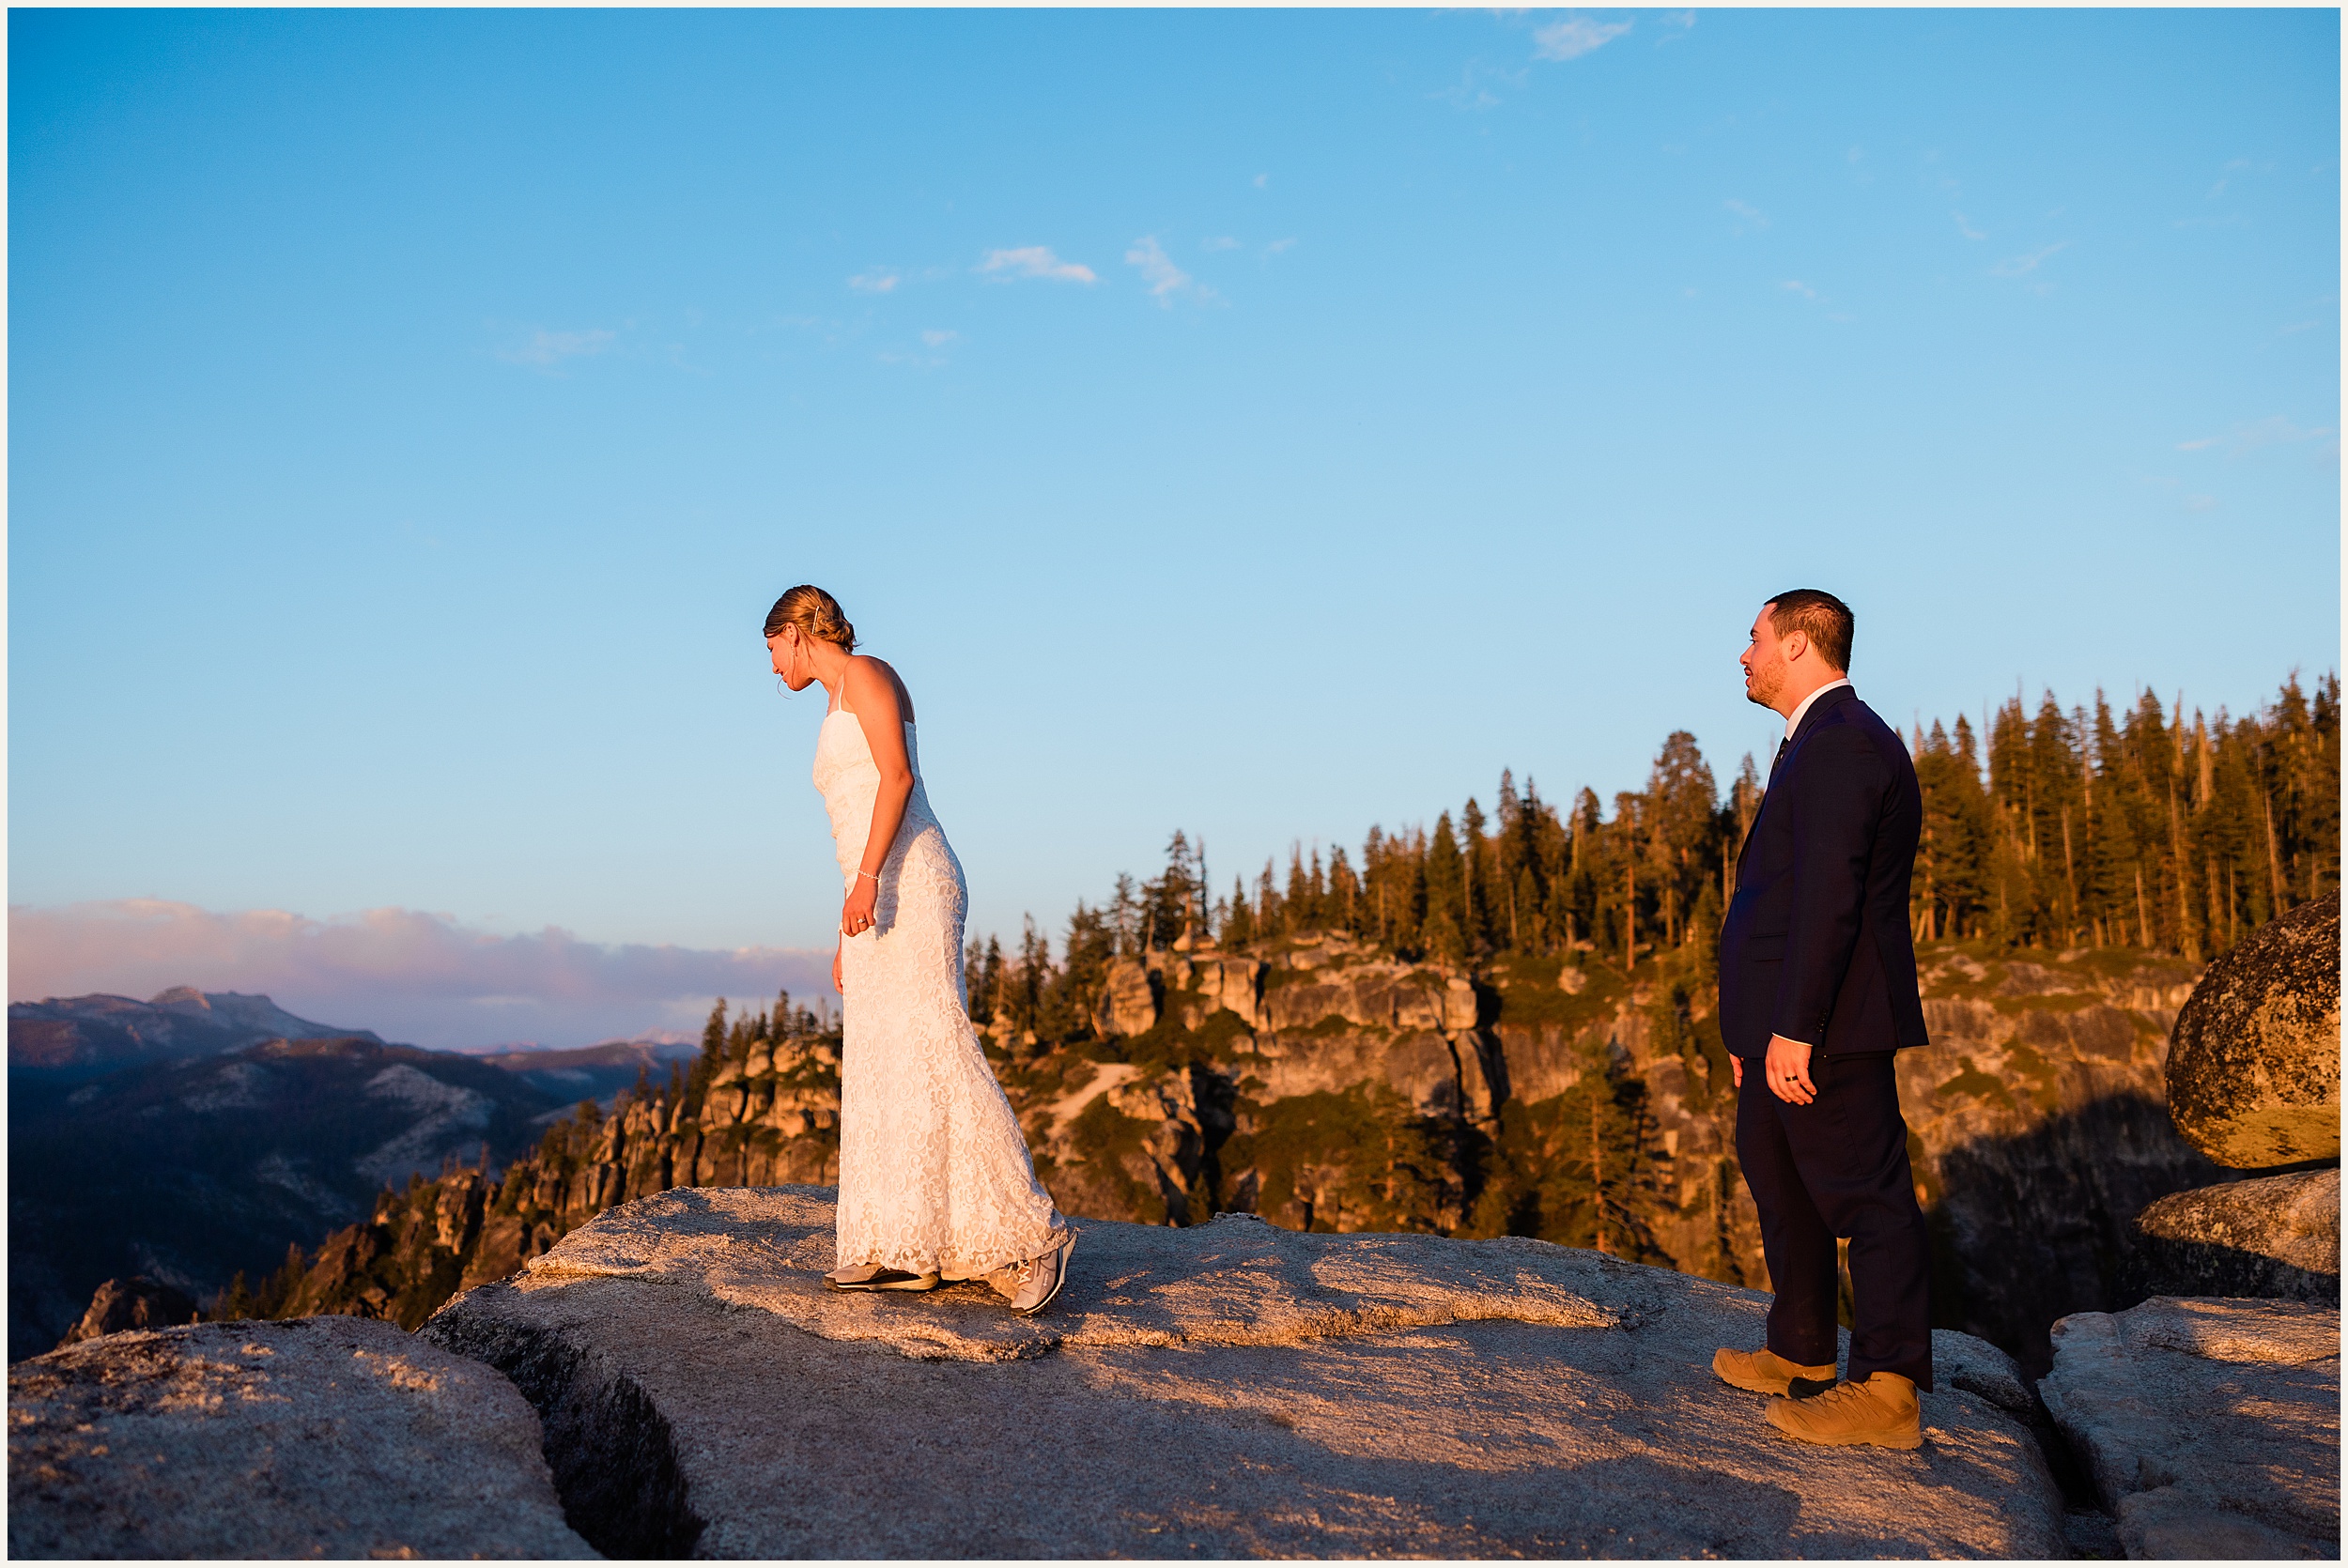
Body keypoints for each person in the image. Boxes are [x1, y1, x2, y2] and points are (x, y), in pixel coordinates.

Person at [765, 585, 1075, 1314]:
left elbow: (898, 779)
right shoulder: (837, 695)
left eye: (773, 650)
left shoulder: (867, 674)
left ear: (795, 632)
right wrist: (848, 919)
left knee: (935, 1042)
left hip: (912, 879)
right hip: (874, 889)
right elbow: (854, 810)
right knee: (884, 1058)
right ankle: (900, 1246)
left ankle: (1034, 1235)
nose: (773, 668)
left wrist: (869, 879)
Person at [1713, 589, 1933, 1450]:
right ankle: (1802, 1350)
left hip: (1831, 1022)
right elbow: (1779, 902)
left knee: (1869, 1197)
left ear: (1801, 645)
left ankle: (1889, 1391)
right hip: (1785, 1024)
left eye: (1755, 636)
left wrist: (1797, 1027)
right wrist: (1752, 1034)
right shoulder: (1812, 743)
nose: (1743, 653)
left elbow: (1830, 900)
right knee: (1780, 1173)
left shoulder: (1843, 744)